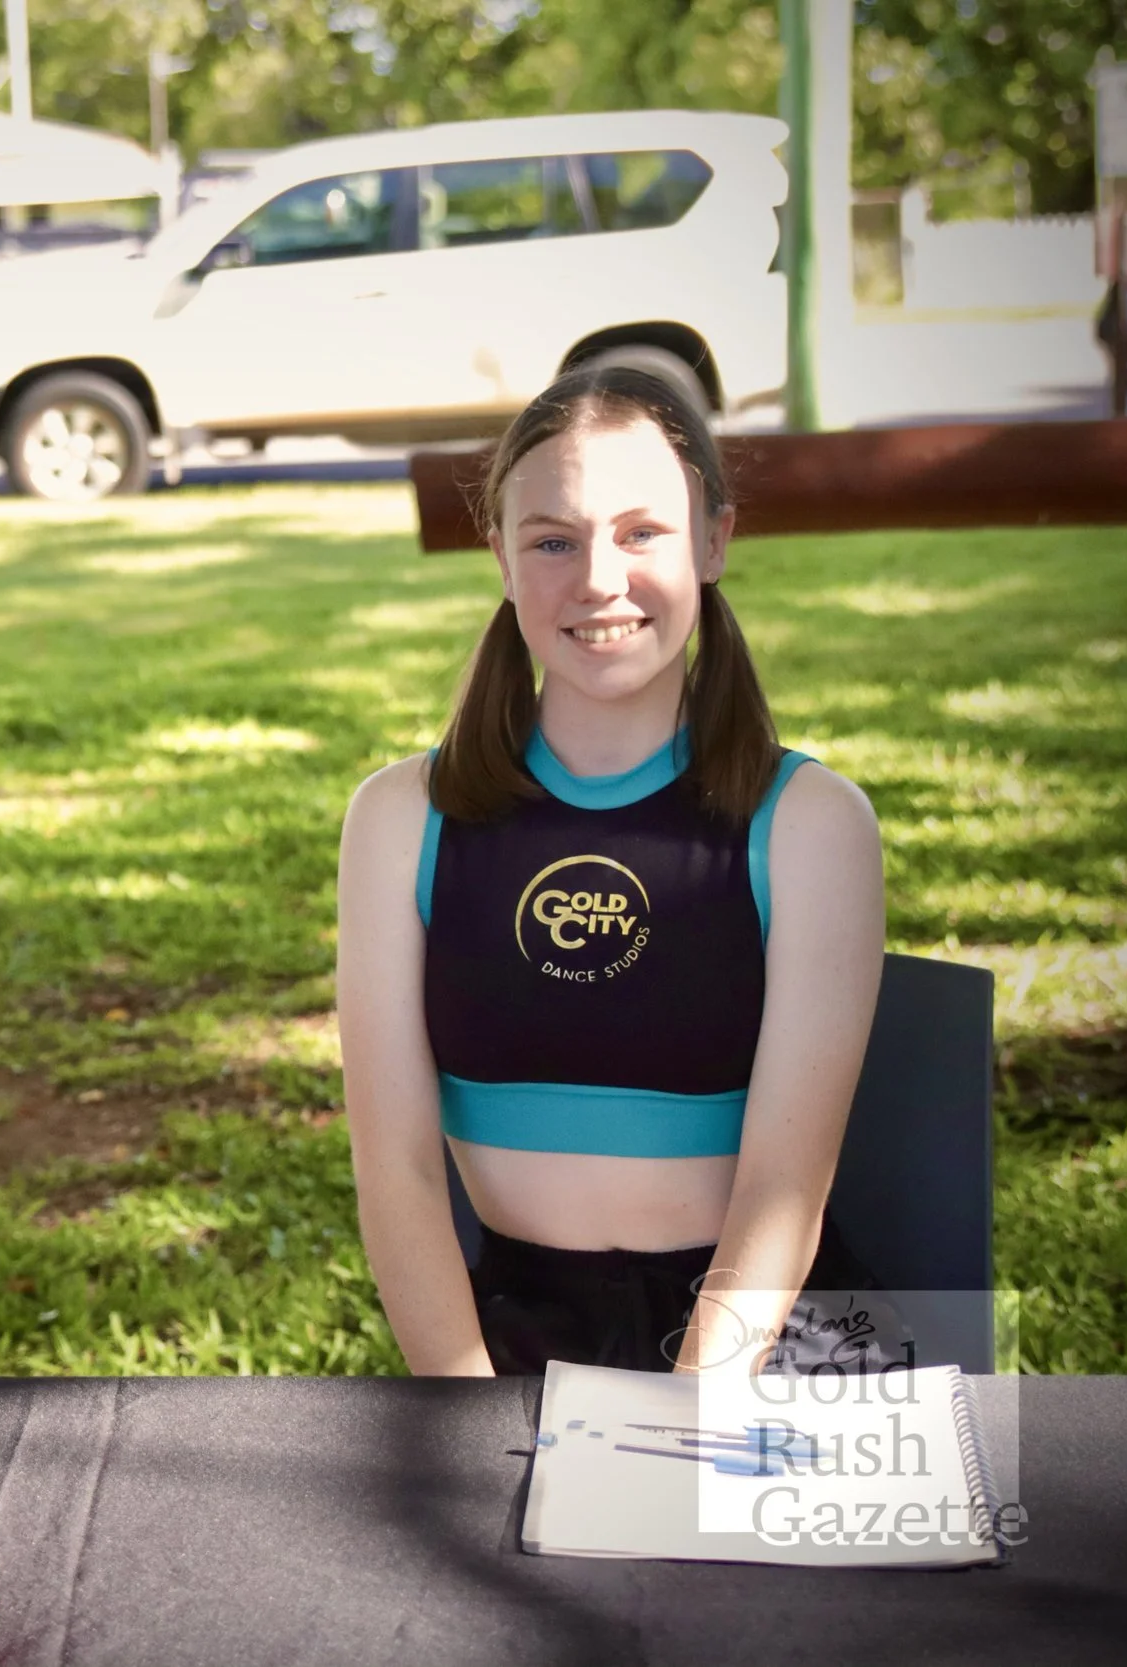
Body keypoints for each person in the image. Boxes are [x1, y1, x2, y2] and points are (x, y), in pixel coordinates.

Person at [335, 364, 893, 1377]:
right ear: (499, 555)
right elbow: (399, 1173)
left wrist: (679, 1426)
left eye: (642, 531)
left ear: (714, 540)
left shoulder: (811, 823)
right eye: (552, 539)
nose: (597, 577)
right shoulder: (398, 820)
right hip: (513, 1339)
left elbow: (783, 1188)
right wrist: (461, 1406)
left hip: (768, 1337)